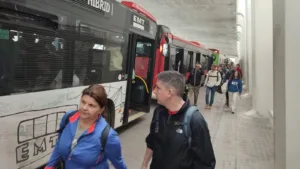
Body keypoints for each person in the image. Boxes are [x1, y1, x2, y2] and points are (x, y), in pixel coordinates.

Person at [141, 70, 216, 169]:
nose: (154, 91)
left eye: (158, 88)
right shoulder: (159, 112)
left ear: (169, 92)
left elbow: (206, 163)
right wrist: (144, 164)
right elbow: (152, 141)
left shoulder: (195, 120)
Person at [45, 84, 127, 169]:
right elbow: (59, 144)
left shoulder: (108, 136)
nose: (84, 108)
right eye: (83, 102)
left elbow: (119, 164)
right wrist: (50, 166)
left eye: (91, 105)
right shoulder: (68, 117)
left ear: (101, 110)